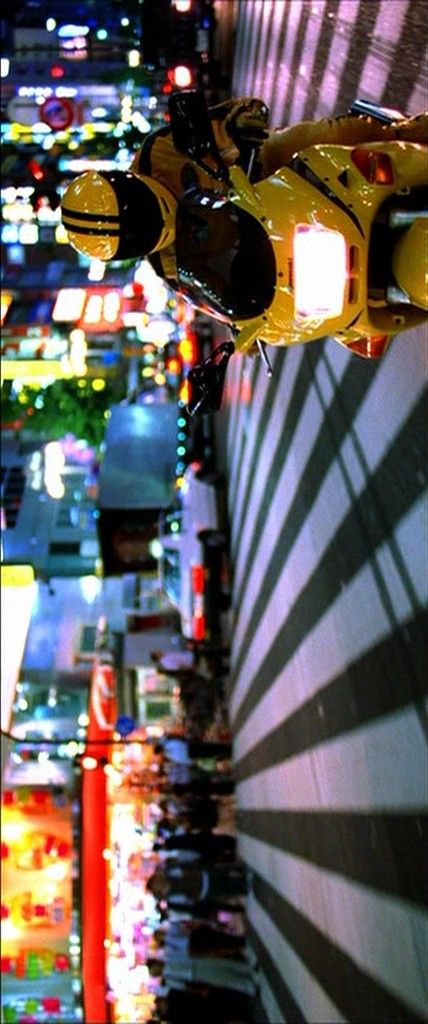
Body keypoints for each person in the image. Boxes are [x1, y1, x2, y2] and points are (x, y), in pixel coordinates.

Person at [61, 94, 427, 282]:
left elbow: (227, 117)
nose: (148, 223)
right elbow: (218, 298)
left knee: (331, 135)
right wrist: (246, 329)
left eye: (136, 209)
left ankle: (408, 134)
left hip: (272, 169)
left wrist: (241, 123)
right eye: (137, 236)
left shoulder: (159, 151)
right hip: (277, 237)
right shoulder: (170, 268)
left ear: (125, 179)